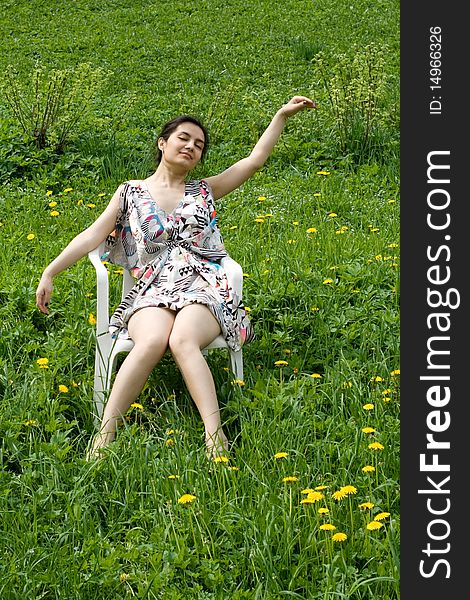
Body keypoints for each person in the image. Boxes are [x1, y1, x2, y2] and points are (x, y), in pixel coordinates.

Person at [35, 95, 316, 459]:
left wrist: (281, 115)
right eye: (184, 138)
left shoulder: (205, 190)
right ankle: (103, 440)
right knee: (152, 340)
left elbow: (254, 161)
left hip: (206, 286)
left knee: (182, 339)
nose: (191, 147)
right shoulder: (130, 192)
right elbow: (92, 235)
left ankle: (215, 439)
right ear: (163, 143)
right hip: (152, 289)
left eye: (198, 145)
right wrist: (50, 270)